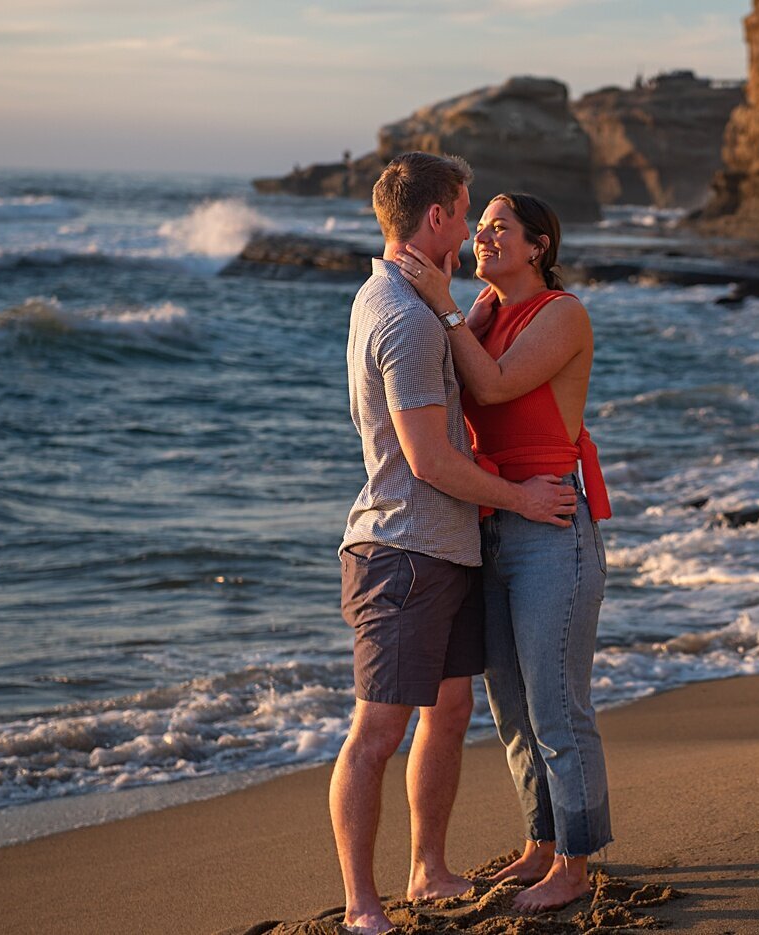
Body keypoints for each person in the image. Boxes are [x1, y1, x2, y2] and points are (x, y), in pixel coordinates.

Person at [334, 154, 577, 935]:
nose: (474, 229)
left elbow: (497, 380)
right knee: (376, 730)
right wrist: (520, 496)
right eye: (467, 213)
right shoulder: (403, 315)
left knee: (448, 708)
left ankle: (428, 868)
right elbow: (429, 459)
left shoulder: (425, 302)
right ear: (436, 217)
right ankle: (361, 904)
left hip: (447, 548)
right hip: (402, 550)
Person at [393, 191, 613, 913]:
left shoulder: (562, 313)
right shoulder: (482, 312)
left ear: (538, 245)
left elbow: (492, 383)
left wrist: (443, 301)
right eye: (478, 226)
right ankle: (541, 844)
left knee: (556, 702)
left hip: (549, 522)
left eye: (498, 228)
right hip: (488, 522)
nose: (483, 237)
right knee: (512, 707)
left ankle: (576, 862)